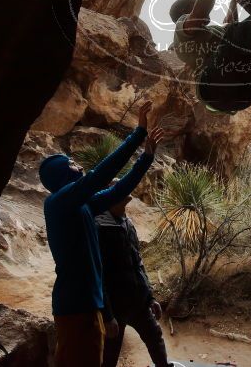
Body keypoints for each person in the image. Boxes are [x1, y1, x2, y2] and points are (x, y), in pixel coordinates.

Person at [40, 101, 164, 367]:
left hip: (87, 305)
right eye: (71, 163)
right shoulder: (59, 203)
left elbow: (117, 191)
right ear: (60, 174)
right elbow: (101, 175)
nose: (78, 166)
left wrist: (147, 157)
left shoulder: (80, 204)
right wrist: (138, 133)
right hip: (75, 306)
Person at [96, 194, 170, 367]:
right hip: (115, 306)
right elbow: (99, 276)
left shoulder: (127, 223)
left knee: (155, 337)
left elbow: (138, 263)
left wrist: (150, 297)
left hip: (138, 300)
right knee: (110, 353)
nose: (124, 189)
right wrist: (107, 316)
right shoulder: (100, 227)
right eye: (117, 189)